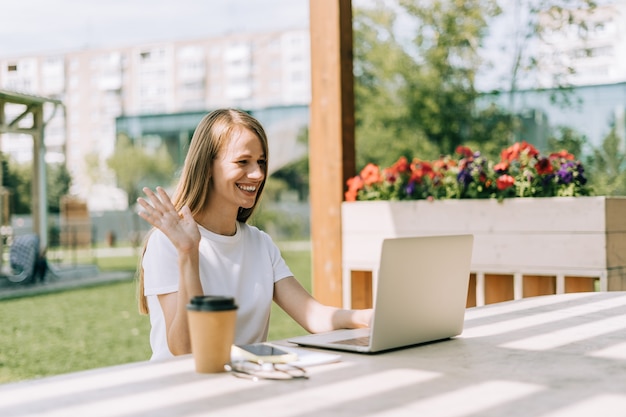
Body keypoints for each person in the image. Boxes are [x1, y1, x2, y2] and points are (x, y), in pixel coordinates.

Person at [137, 108, 372, 361]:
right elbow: (186, 348)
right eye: (243, 162)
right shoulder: (167, 243)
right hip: (181, 391)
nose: (258, 174)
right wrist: (188, 253)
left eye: (261, 162)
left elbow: (313, 315)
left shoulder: (260, 243)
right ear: (206, 167)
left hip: (245, 385)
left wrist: (367, 317)